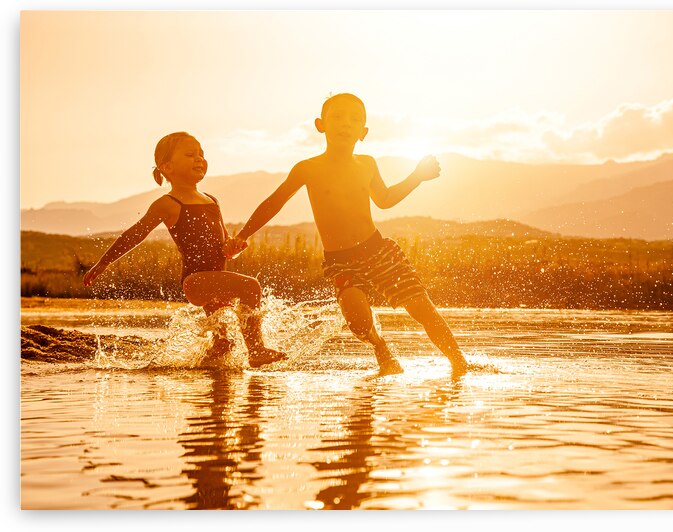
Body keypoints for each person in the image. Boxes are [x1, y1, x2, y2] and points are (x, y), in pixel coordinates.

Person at [225, 94, 468, 376]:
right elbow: (275, 201)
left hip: (379, 251)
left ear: (363, 132)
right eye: (337, 117)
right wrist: (243, 235)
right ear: (320, 125)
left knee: (421, 309)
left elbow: (385, 199)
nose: (345, 123)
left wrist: (416, 176)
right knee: (358, 321)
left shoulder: (367, 164)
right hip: (341, 260)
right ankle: (381, 348)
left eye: (354, 119)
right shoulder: (308, 168)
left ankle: (459, 363)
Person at [83, 132, 285, 368]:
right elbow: (135, 234)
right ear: (167, 167)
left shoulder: (211, 200)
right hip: (196, 281)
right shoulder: (168, 203)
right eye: (190, 154)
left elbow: (223, 244)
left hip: (216, 279)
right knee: (251, 286)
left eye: (201, 154)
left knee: (224, 345)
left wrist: (233, 246)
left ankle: (203, 377)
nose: (199, 159)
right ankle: (256, 349)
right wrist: (104, 262)